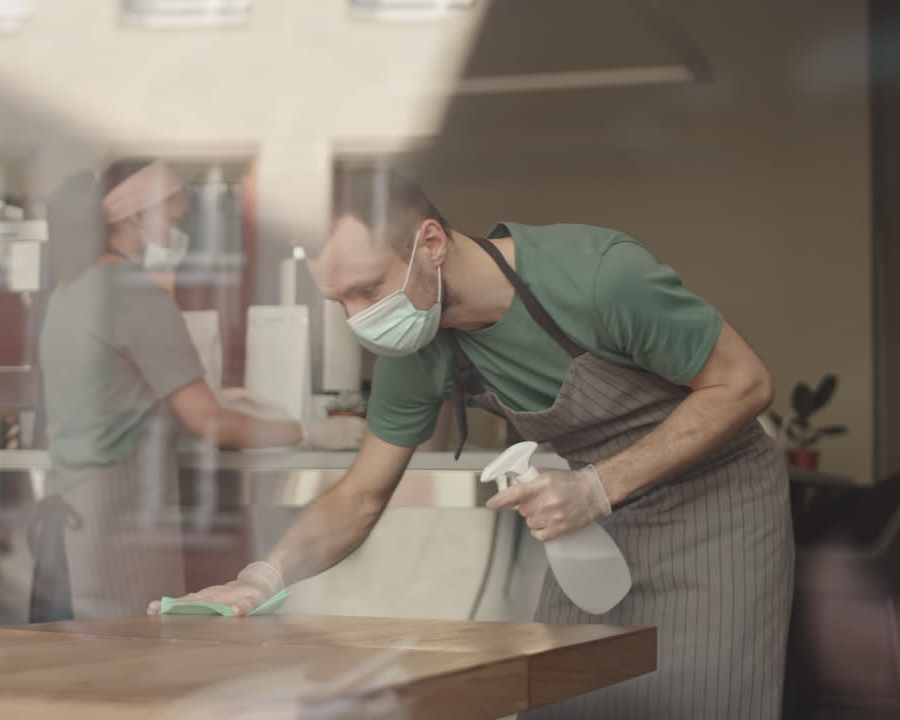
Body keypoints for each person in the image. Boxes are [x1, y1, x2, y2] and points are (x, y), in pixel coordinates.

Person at [157, 169, 793, 719]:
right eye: (339, 299)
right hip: (592, 526)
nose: (357, 317)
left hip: (719, 510)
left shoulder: (597, 277)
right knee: (569, 696)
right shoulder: (418, 345)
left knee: (699, 702)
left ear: (429, 243)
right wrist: (261, 577)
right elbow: (361, 492)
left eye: (369, 288)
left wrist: (599, 486)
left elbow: (745, 384)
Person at [34, 159, 366, 619]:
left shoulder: (70, 290)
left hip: (75, 503)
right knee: (138, 660)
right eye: (174, 218)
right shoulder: (134, 292)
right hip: (120, 513)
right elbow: (211, 423)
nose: (180, 233)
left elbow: (112, 393)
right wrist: (313, 431)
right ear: (133, 216)